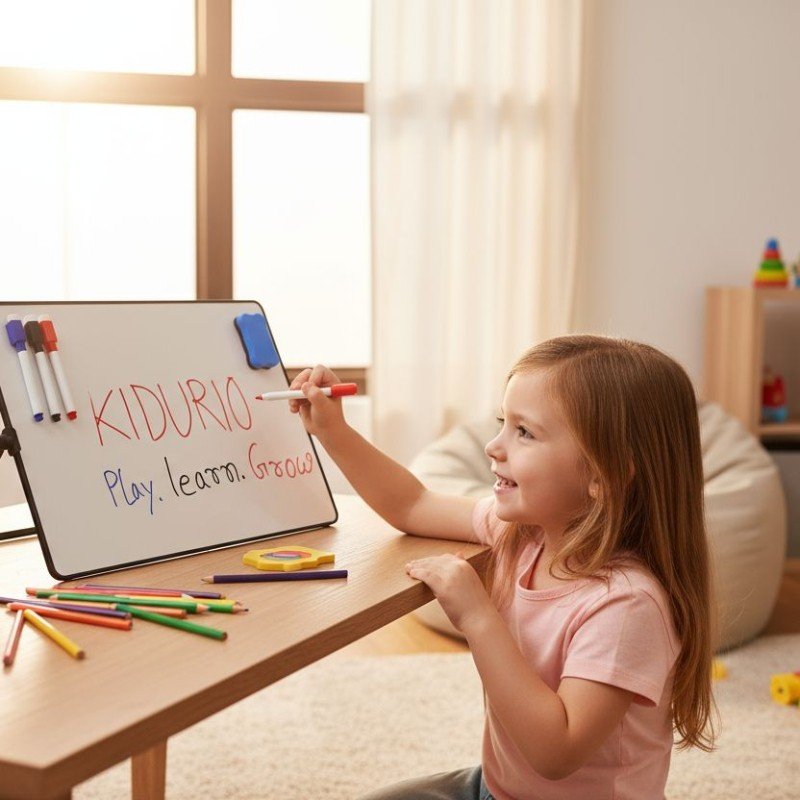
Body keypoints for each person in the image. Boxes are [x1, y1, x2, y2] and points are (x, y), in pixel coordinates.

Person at [289, 335, 716, 800]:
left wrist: (477, 616)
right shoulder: (523, 535)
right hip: (496, 788)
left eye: (524, 432)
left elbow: (556, 753)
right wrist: (334, 432)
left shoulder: (627, 603)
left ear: (602, 475)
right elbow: (411, 504)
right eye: (502, 424)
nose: (494, 447)